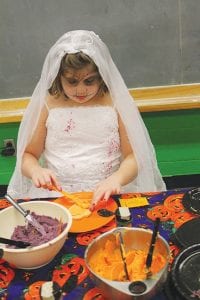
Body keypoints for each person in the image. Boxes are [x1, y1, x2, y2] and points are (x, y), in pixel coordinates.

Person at [7, 30, 166, 206]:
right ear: (58, 77)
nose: (81, 90)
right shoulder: (48, 104)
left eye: (89, 81)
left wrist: (117, 179)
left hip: (106, 194)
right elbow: (28, 155)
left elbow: (134, 156)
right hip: (57, 195)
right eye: (72, 81)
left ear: (102, 76)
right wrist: (35, 170)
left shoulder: (115, 102)